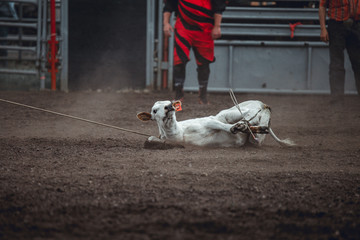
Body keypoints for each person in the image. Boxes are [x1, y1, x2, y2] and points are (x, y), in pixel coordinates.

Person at [163, 0, 226, 104]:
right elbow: (169, 5)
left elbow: (219, 6)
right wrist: (166, 23)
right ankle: (178, 95)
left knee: (204, 63)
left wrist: (217, 26)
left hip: (205, 29)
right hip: (183, 27)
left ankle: (203, 96)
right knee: (178, 60)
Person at [319, 0, 360, 96]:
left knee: (358, 63)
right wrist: (323, 29)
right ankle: (336, 102)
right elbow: (322, 6)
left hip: (356, 24)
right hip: (337, 25)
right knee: (337, 64)